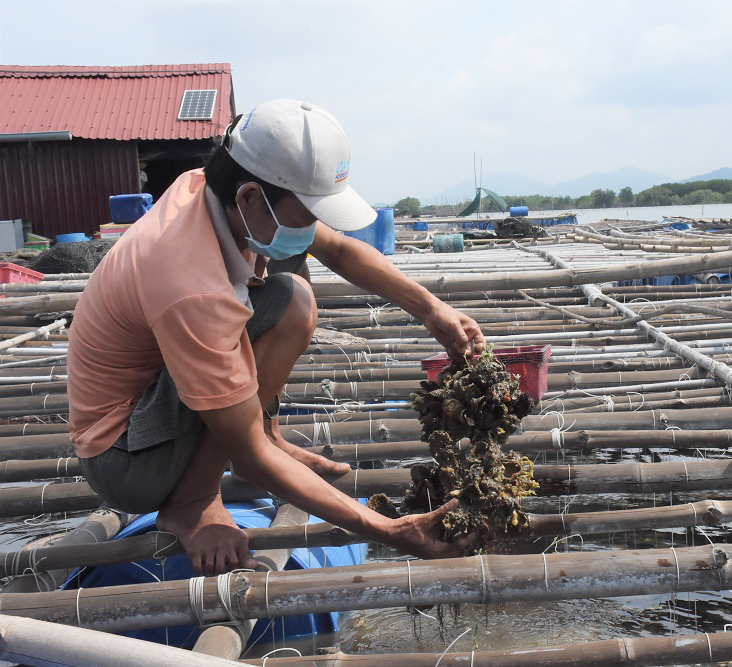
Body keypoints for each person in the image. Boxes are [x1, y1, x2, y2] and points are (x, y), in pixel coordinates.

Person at [68, 99, 485, 576]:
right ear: (248, 197)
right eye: (307, 214)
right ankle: (192, 500)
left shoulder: (212, 194)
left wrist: (431, 309)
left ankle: (264, 433)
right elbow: (248, 455)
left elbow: (342, 250)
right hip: (126, 457)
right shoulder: (188, 284)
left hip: (152, 405)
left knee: (291, 279)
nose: (312, 227)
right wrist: (385, 529)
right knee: (293, 301)